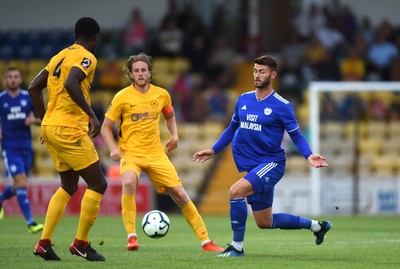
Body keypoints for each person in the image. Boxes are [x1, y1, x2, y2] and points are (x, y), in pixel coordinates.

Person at [193, 55, 331, 257]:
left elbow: (296, 135)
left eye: (262, 71)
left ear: (273, 74)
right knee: (264, 222)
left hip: (272, 164)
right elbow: (232, 128)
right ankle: (317, 227)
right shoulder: (243, 99)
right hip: (254, 166)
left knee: (236, 191)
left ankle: (237, 248)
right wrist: (214, 149)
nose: (257, 75)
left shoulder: (282, 105)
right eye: (255, 71)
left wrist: (308, 155)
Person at [101, 52, 224, 253]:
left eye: (144, 70)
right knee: (129, 182)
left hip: (156, 154)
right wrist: (113, 148)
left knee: (181, 195)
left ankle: (206, 241)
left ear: (150, 73)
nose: (140, 74)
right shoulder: (121, 97)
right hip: (131, 153)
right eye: (136, 71)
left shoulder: (161, 94)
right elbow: (106, 127)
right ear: (131, 75)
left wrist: (174, 135)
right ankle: (132, 236)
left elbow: (170, 114)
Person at [28, 17, 108, 262]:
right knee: (98, 184)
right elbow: (71, 82)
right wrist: (93, 116)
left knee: (69, 185)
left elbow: (33, 87)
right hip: (69, 129)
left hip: (51, 127)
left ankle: (43, 243)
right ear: (95, 36)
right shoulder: (88, 57)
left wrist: (45, 121)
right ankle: (80, 244)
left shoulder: (59, 56)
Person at [0, 67, 43, 234]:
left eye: (15, 76)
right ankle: (31, 223)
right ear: (5, 80)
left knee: (19, 184)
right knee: (21, 182)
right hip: (10, 148)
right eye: (9, 77)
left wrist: (34, 120)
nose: (12, 79)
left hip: (26, 147)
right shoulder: (1, 99)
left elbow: (44, 119)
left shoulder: (28, 97)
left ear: (20, 79)